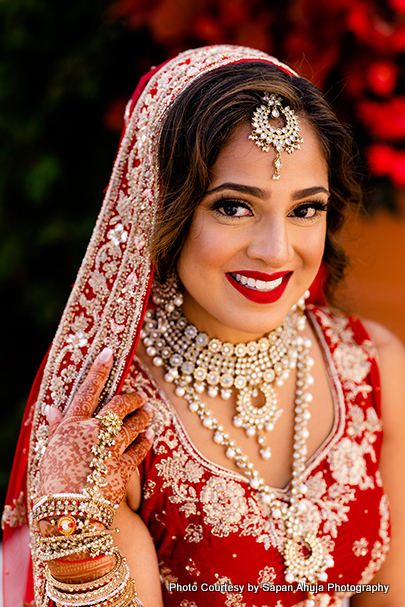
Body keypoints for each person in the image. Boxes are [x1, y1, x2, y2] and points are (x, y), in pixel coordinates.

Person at [2, 45, 405, 607]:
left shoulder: (371, 367)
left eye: (305, 208)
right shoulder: (119, 431)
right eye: (234, 207)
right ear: (160, 208)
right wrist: (79, 553)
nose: (275, 250)